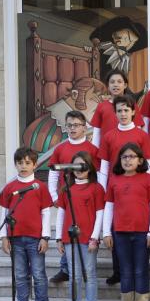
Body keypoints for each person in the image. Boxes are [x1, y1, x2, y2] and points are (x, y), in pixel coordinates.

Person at [102, 143, 150, 301]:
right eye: (124, 157)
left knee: (140, 271)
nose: (128, 160)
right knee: (126, 272)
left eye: (132, 157)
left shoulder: (148, 179)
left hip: (142, 233)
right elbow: (109, 207)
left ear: (140, 160)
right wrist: (105, 232)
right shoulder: (114, 179)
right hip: (120, 233)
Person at [0, 147, 53, 301]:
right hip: (15, 238)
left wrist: (45, 236)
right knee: (20, 276)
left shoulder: (40, 187)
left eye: (27, 163)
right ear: (15, 165)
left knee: (38, 275)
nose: (24, 166)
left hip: (35, 238)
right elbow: (4, 213)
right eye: (20, 163)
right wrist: (4, 237)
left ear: (35, 165)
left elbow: (46, 212)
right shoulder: (10, 188)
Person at [48, 110, 100, 285]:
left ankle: (85, 270)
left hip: (87, 198)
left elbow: (99, 174)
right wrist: (54, 195)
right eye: (69, 125)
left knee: (84, 230)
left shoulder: (92, 150)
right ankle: (65, 269)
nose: (72, 128)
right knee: (67, 231)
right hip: (67, 198)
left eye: (76, 125)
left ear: (84, 128)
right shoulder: (60, 148)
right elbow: (53, 175)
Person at [55, 150, 105, 301]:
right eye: (75, 165)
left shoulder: (96, 189)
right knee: (74, 275)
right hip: (70, 239)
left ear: (90, 168)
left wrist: (94, 237)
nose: (79, 169)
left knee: (89, 273)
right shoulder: (66, 189)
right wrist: (58, 238)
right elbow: (61, 214)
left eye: (82, 165)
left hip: (88, 239)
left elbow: (100, 214)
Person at [91, 69, 144, 147]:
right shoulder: (101, 106)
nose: (115, 85)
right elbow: (97, 132)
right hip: (107, 150)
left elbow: (138, 128)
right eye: (112, 82)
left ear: (125, 85)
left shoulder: (132, 105)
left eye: (119, 82)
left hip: (128, 151)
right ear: (108, 86)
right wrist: (95, 150)